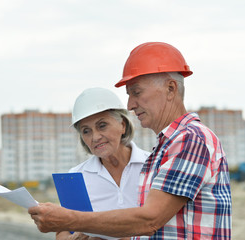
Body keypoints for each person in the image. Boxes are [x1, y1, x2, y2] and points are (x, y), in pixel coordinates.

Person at [29, 42, 232, 239]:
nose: (130, 104)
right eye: (86, 131)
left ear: (171, 89)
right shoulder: (164, 149)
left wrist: (70, 219)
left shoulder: (191, 139)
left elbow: (149, 221)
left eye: (136, 92)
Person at [56, 87, 149, 240]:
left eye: (102, 125)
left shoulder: (154, 165)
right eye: (86, 131)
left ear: (123, 125)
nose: (95, 137)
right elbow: (63, 232)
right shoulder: (75, 176)